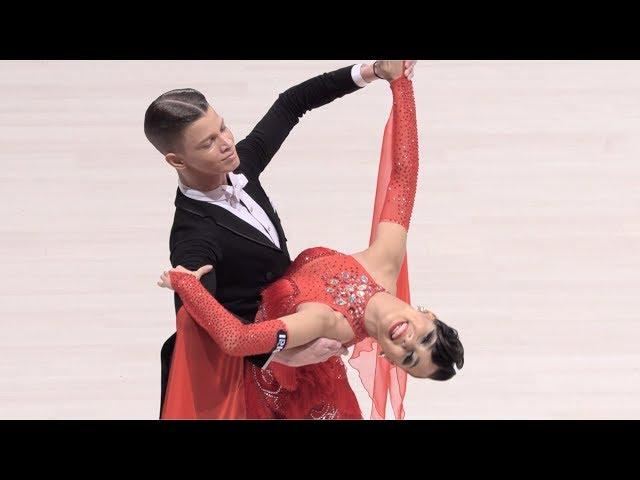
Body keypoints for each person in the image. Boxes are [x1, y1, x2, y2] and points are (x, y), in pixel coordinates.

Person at [158, 63, 464, 419]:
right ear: (429, 315)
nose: (409, 341)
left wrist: (184, 284)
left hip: (293, 381)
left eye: (409, 357)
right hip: (268, 368)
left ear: (388, 359)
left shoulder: (328, 321)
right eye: (424, 339)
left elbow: (237, 337)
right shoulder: (193, 237)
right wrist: (397, 83)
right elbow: (402, 176)